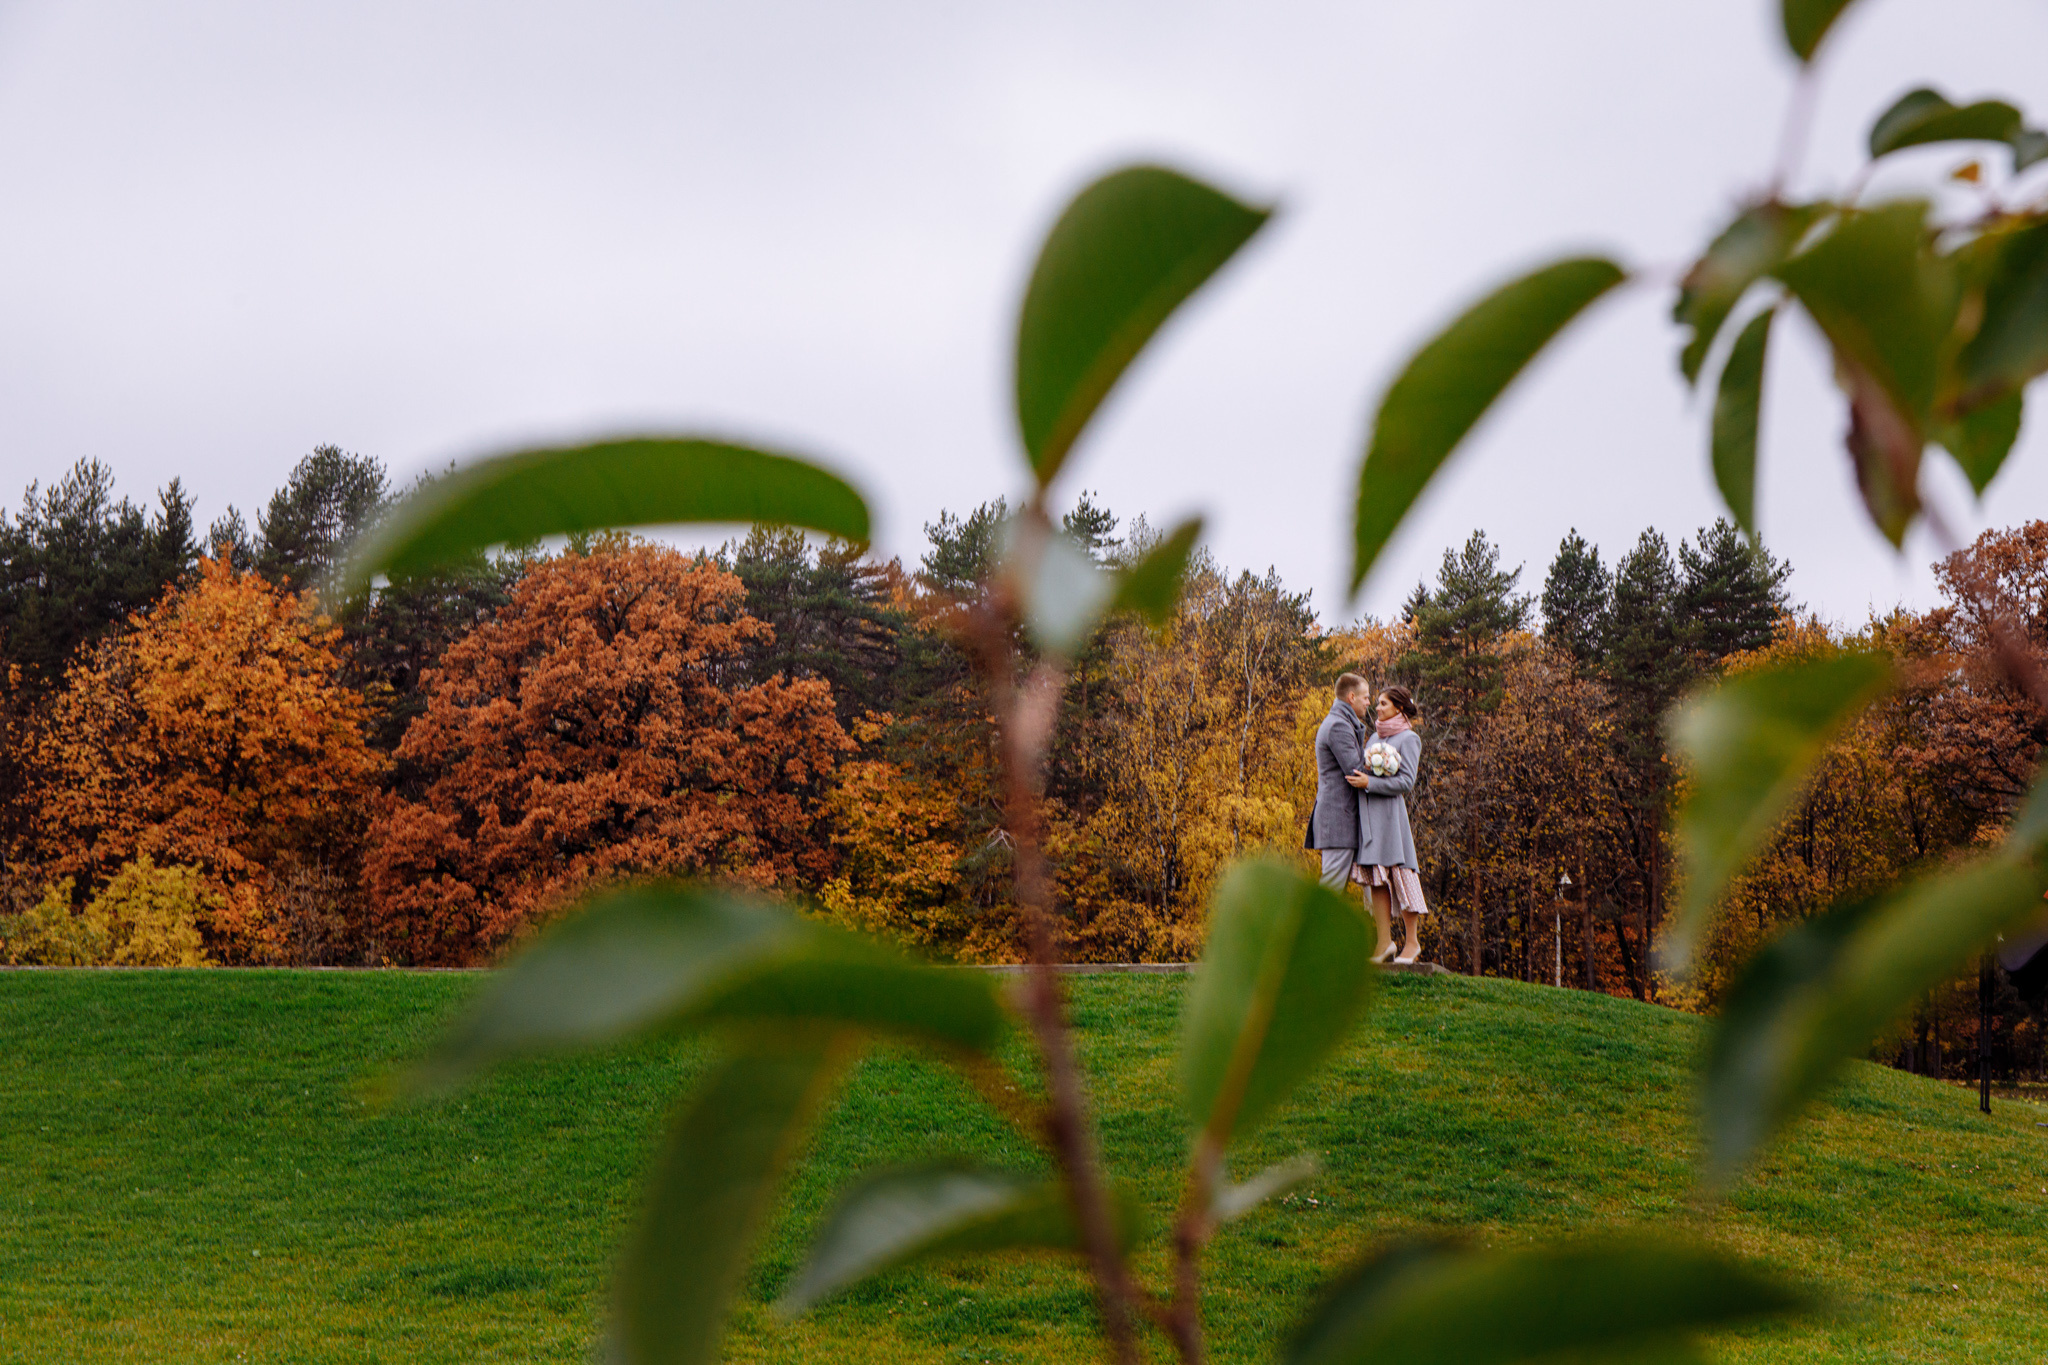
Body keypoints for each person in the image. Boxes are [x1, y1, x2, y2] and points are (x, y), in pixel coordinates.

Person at [1346, 685, 1427, 963]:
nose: (1377, 708)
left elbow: (1406, 782)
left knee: (1402, 877)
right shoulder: (1373, 739)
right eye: (1377, 703)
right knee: (1377, 879)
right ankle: (1384, 943)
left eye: (1383, 703)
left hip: (1392, 819)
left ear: (1399, 708)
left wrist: (1370, 782)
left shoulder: (1409, 739)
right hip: (1370, 818)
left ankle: (1412, 943)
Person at [1305, 673, 1372, 890]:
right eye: (1366, 697)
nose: (1368, 703)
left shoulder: (1340, 722)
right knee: (1331, 890)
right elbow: (1356, 770)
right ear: (1352, 697)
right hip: (1338, 821)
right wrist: (1387, 765)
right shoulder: (1338, 726)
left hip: (1339, 821)